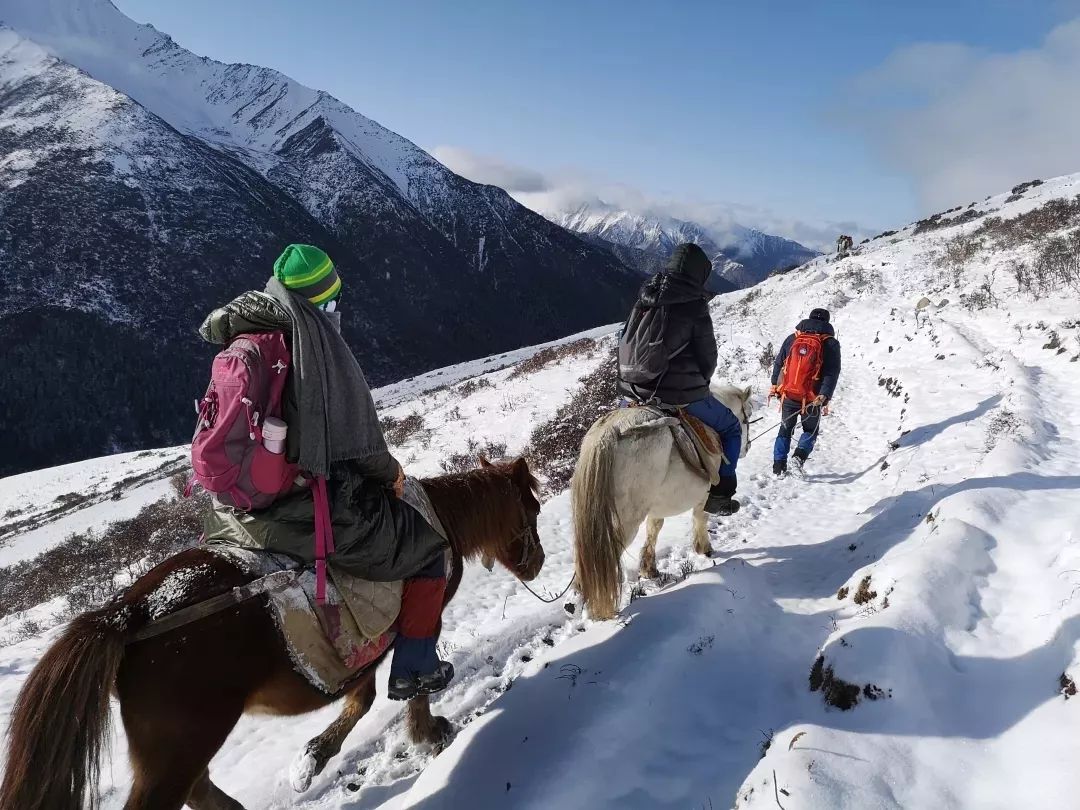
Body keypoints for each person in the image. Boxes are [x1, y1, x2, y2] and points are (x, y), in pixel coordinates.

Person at [199, 244, 453, 701]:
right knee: (426, 549)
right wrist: (390, 473)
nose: (335, 311)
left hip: (230, 506)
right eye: (331, 301)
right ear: (318, 301)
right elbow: (356, 442)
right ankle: (415, 668)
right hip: (296, 505)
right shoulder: (309, 345)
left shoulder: (247, 336)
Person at [617, 243, 743, 515]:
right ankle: (721, 494)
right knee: (732, 428)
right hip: (678, 395)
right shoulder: (695, 305)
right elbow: (707, 358)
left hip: (632, 390)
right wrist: (700, 385)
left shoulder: (645, 296)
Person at [769, 307, 842, 475]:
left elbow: (779, 363)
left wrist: (775, 385)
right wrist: (824, 395)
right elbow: (832, 372)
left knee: (785, 428)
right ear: (827, 322)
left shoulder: (792, 338)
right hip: (813, 397)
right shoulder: (830, 343)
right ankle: (798, 457)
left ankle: (778, 465)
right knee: (810, 430)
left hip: (788, 395)